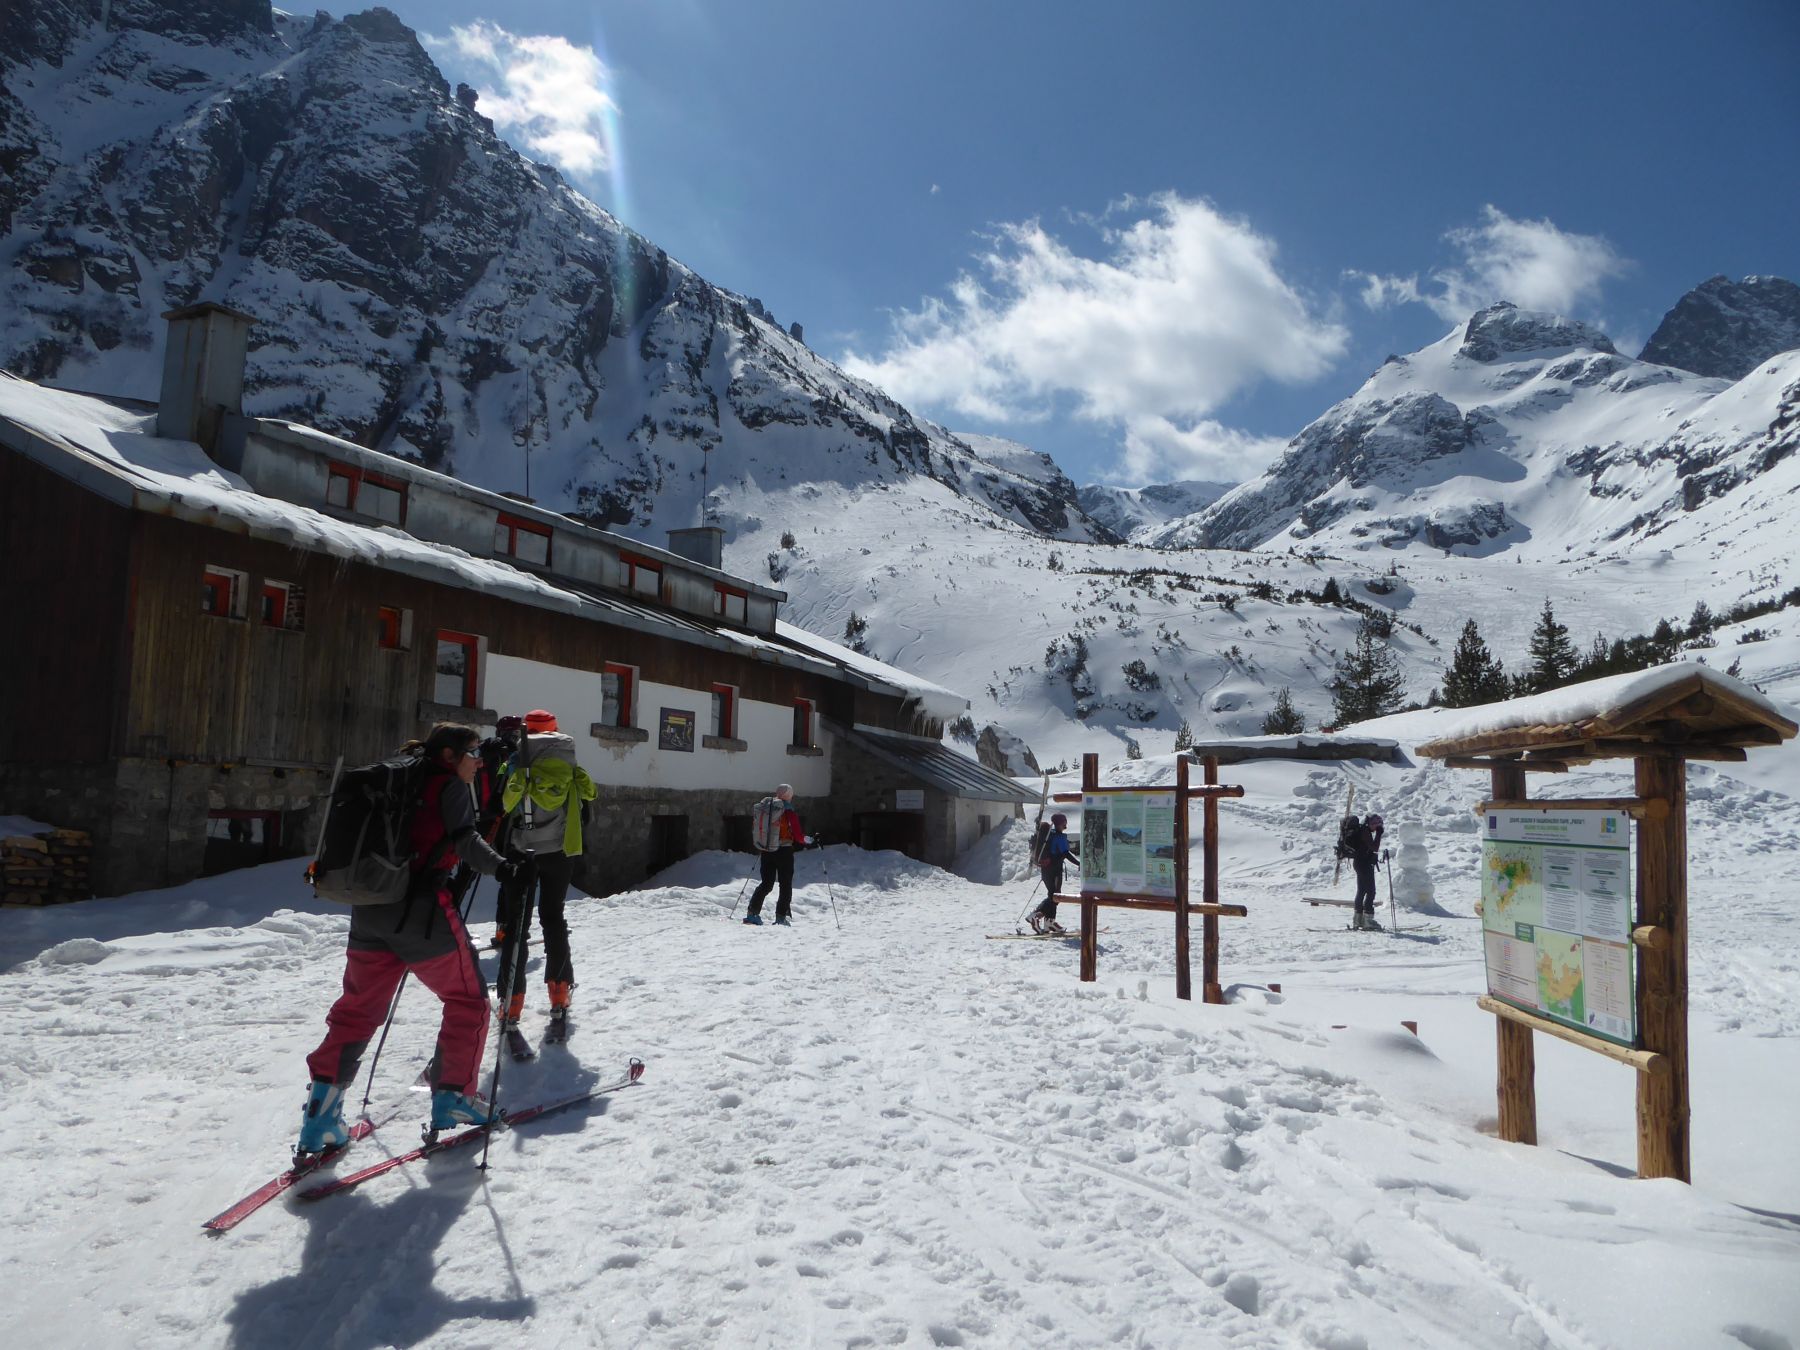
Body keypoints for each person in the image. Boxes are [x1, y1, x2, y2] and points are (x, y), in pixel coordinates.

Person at [297, 723, 526, 1155]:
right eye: (472, 753)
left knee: (356, 1012)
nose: (478, 761)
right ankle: (454, 1099)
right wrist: (506, 868)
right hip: (421, 912)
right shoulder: (449, 786)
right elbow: (466, 840)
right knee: (468, 1000)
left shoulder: (397, 781)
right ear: (448, 756)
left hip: (370, 910)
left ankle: (320, 1119)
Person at [496, 709, 596, 1034]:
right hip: (559, 852)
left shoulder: (515, 762)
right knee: (554, 919)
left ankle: (511, 1002)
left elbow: (504, 803)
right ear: (555, 731)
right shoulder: (570, 765)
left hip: (522, 852)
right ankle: (560, 993)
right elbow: (589, 795)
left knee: (516, 926)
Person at [744, 783, 809, 926]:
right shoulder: (788, 811)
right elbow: (798, 836)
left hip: (767, 849)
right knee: (785, 884)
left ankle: (752, 913)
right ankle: (781, 917)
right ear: (789, 796)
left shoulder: (766, 808)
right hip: (784, 851)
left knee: (766, 883)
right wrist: (809, 840)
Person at [1029, 813, 1079, 934]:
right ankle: (1036, 916)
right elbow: (1066, 853)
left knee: (1053, 896)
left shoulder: (1049, 836)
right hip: (1055, 871)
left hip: (1046, 870)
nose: (1066, 825)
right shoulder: (1059, 837)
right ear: (1060, 823)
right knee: (1055, 897)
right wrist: (1079, 863)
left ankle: (1049, 923)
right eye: (1064, 822)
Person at [1350, 812, 1386, 931]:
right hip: (1363, 864)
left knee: (1362, 891)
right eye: (1374, 824)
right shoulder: (1365, 832)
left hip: (1360, 863)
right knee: (1371, 891)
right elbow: (1374, 847)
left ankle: (1358, 920)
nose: (1376, 827)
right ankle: (1368, 921)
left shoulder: (1363, 830)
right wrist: (1379, 834)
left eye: (1378, 824)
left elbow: (1368, 849)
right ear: (1369, 823)